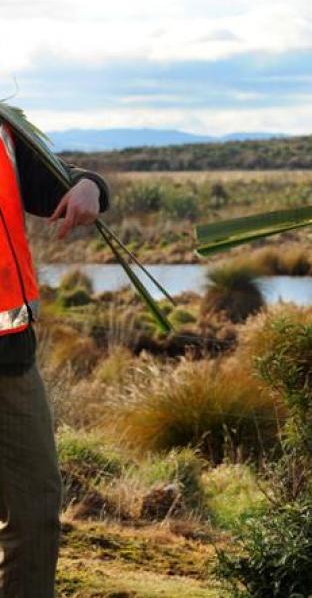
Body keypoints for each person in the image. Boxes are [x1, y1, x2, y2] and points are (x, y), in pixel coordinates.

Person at [0, 119, 109, 597]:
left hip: (10, 358)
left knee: (36, 512)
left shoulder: (3, 131)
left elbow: (61, 183)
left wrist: (89, 187)